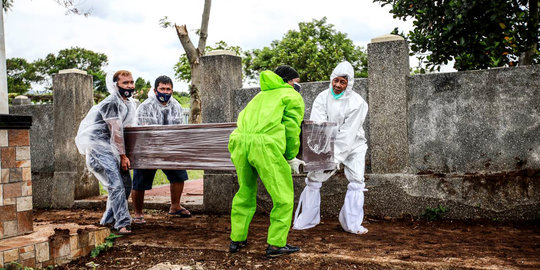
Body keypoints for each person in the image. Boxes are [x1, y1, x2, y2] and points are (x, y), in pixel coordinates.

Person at [228, 69, 305, 258]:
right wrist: (290, 156)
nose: (297, 86)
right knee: (282, 196)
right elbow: (291, 129)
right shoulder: (291, 96)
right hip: (265, 146)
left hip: (239, 143)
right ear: (288, 81)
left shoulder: (259, 96)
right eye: (296, 82)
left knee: (244, 191)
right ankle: (276, 244)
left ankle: (237, 238)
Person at [293, 61, 369, 235]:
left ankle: (351, 224)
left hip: (354, 145)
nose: (337, 85)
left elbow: (348, 134)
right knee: (314, 178)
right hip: (328, 145)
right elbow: (319, 127)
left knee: (356, 180)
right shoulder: (322, 97)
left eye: (343, 82)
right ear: (331, 79)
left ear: (349, 84)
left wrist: (335, 160)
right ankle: (308, 220)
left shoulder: (358, 103)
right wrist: (319, 157)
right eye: (336, 80)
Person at [75, 70, 137, 235]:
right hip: (99, 149)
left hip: (112, 149)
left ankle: (107, 220)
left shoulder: (128, 103)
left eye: (131, 82)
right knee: (116, 185)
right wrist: (123, 156)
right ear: (116, 84)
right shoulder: (111, 103)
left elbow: (129, 128)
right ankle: (122, 224)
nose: (129, 86)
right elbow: (116, 131)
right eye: (125, 83)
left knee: (125, 185)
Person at [131, 75, 191, 224]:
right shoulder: (145, 106)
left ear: (172, 90)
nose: (165, 91)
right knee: (139, 181)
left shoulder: (175, 105)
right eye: (162, 89)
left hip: (169, 149)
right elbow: (143, 131)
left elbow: (178, 129)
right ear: (155, 90)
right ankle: (137, 212)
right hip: (147, 150)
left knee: (179, 175)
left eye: (168, 89)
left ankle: (175, 206)